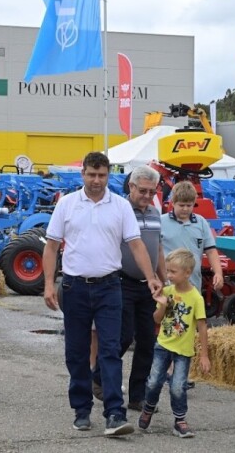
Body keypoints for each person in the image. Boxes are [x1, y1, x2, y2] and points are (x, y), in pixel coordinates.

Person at [42, 152, 162, 436]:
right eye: (91, 174)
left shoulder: (119, 207)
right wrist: (48, 284)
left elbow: (136, 246)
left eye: (102, 176)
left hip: (110, 287)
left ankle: (115, 414)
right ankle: (82, 410)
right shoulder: (67, 205)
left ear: (109, 177)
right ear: (83, 174)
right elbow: (51, 246)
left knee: (110, 350)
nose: (96, 180)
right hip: (74, 287)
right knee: (76, 351)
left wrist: (151, 278)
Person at [91, 166, 166, 411]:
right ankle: (99, 378)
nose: (146, 195)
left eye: (151, 191)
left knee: (147, 340)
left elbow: (159, 249)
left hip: (148, 285)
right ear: (131, 187)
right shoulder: (119, 211)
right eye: (142, 190)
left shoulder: (155, 213)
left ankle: (137, 395)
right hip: (121, 282)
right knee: (122, 336)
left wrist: (164, 280)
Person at [138, 248, 210, 438]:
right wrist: (162, 304)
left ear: (187, 273)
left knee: (178, 386)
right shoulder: (167, 291)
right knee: (153, 382)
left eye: (172, 272)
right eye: (167, 271)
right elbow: (156, 319)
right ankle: (148, 408)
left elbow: (202, 326)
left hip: (184, 351)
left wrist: (204, 355)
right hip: (163, 345)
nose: (168, 275)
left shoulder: (196, 298)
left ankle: (180, 420)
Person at [161, 181, 224, 295]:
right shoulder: (161, 222)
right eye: (181, 205)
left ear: (194, 203)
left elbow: (211, 251)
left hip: (193, 285)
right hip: (168, 286)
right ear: (173, 202)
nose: (185, 209)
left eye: (189, 205)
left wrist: (218, 273)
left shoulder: (201, 223)